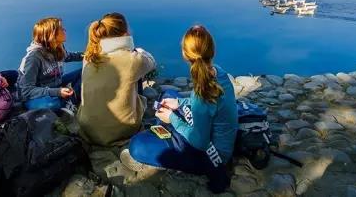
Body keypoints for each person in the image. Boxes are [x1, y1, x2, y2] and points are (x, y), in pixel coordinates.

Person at [122, 25, 238, 193]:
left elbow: (200, 141)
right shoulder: (217, 71)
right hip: (209, 132)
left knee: (136, 146)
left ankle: (165, 132)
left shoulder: (203, 91)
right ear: (211, 49)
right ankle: (165, 130)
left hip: (212, 155)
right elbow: (204, 107)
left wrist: (173, 119)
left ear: (185, 54)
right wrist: (180, 104)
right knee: (169, 95)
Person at [77, 12, 156, 146]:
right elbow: (152, 62)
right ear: (125, 32)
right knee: (135, 75)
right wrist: (136, 50)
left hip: (87, 127)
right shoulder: (131, 59)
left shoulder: (89, 57)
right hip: (121, 130)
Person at [17, 17, 84, 111]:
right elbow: (26, 91)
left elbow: (69, 56)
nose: (65, 30)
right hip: (36, 97)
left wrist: (88, 55)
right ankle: (69, 102)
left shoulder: (57, 48)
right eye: (61, 29)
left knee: (85, 72)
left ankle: (69, 102)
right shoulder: (33, 58)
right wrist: (57, 92)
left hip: (55, 86)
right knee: (50, 105)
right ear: (52, 35)